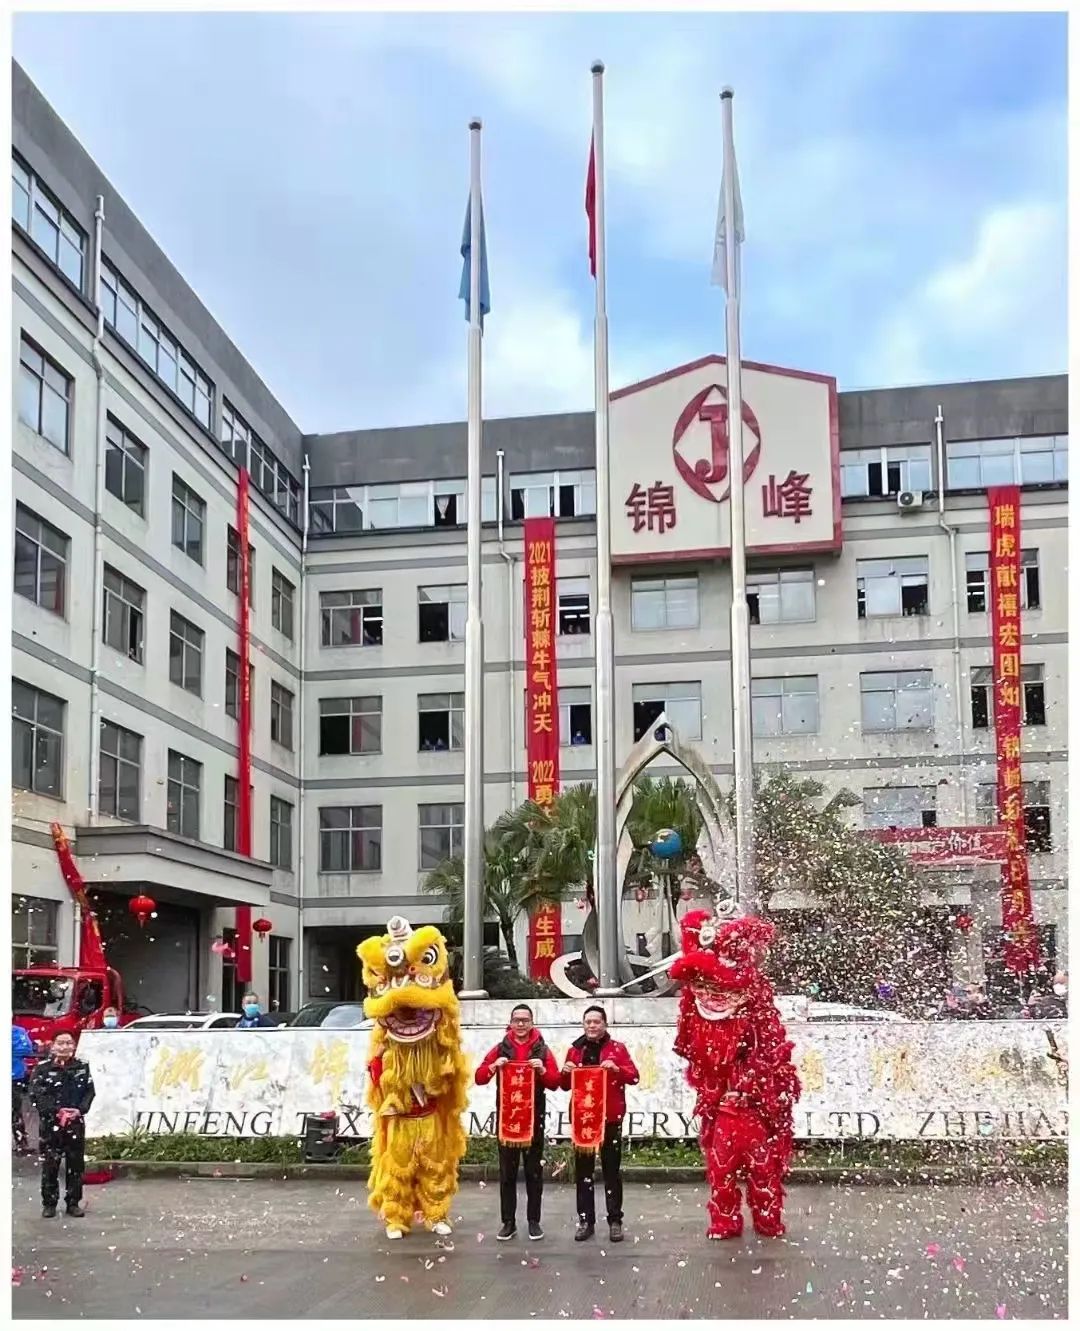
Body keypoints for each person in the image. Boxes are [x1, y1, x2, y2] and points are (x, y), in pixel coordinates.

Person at [474, 1003, 561, 1241]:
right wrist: (494, 1066)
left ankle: (534, 1221)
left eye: (525, 1020)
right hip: (507, 1121)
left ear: (532, 1023)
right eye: (517, 1020)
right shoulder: (501, 1048)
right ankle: (508, 1222)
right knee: (507, 1175)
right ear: (510, 1023)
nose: (521, 1024)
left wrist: (542, 1069)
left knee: (534, 1173)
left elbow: (555, 1082)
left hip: (533, 1120)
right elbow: (479, 1077)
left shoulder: (542, 1050)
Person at [560, 1005, 640, 1243]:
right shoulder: (575, 1051)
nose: (592, 1026)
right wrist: (565, 1072)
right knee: (583, 1173)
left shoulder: (617, 1049)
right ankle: (586, 1221)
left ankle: (615, 1220)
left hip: (610, 1118)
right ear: (583, 1025)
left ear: (605, 1024)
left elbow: (634, 1076)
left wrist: (616, 1069)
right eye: (588, 1022)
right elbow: (564, 1085)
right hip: (584, 1120)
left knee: (611, 1171)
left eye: (596, 1022)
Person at [29, 1031, 95, 1218]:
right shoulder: (42, 1069)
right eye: (61, 1043)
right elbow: (36, 1095)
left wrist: (79, 1110)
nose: (65, 1047)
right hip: (51, 1124)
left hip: (75, 1123)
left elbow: (90, 1092)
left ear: (74, 1046)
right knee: (50, 1164)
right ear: (53, 1046)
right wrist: (56, 1111)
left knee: (75, 1165)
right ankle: (49, 1203)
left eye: (68, 1043)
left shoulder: (82, 1067)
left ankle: (73, 1202)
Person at [12, 1024, 35, 1153]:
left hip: (15, 1076)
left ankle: (21, 1143)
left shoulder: (18, 1031)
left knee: (15, 1110)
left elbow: (27, 1049)